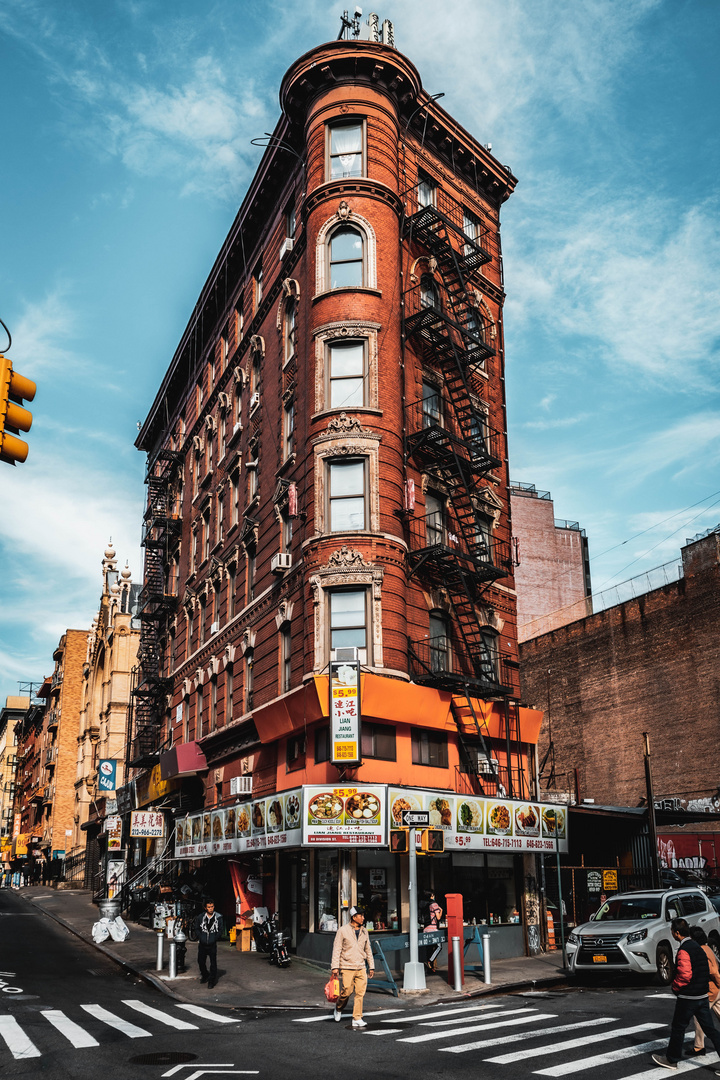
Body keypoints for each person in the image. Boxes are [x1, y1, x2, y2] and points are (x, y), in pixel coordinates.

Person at [652, 917, 720, 1071]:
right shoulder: (699, 947)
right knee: (711, 1030)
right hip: (702, 996)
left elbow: (685, 975)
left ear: (677, 933)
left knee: (678, 1028)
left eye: (672, 931)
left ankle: (671, 1060)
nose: (672, 933)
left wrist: (675, 987)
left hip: (688, 997)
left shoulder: (684, 950)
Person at [331, 906, 374, 1028]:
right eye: (360, 916)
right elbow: (337, 949)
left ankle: (357, 1018)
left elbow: (368, 949)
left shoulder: (364, 931)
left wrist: (371, 966)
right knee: (347, 991)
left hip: (361, 966)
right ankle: (338, 1008)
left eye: (363, 916)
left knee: (360, 993)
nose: (363, 918)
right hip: (346, 966)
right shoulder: (342, 930)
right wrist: (335, 967)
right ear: (353, 917)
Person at [688, 926, 720, 1055]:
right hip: (715, 989)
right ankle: (698, 1046)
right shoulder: (707, 948)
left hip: (710, 990)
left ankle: (699, 1047)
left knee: (700, 1017)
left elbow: (713, 971)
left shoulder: (701, 951)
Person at [193, 898, 225, 989]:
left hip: (212, 944)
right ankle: (205, 975)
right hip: (203, 944)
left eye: (212, 906)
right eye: (209, 907)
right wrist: (201, 937)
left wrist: (214, 938)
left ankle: (211, 980)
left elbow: (220, 930)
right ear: (205, 908)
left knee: (213, 963)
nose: (211, 909)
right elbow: (197, 928)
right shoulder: (201, 917)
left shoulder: (218, 917)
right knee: (200, 961)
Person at [424, 892, 443, 974]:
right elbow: (438, 917)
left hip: (426, 929)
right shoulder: (434, 904)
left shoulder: (425, 904)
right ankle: (429, 961)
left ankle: (430, 969)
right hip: (433, 928)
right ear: (432, 896)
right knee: (439, 946)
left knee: (429, 948)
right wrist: (441, 911)